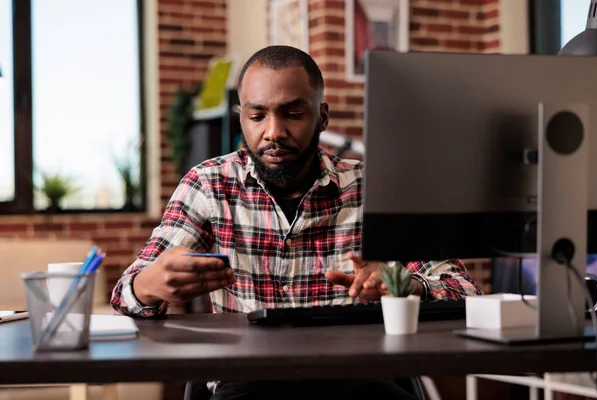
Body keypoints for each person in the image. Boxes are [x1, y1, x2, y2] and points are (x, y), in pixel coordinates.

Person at [111, 45, 483, 400]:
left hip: (362, 379)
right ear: (241, 116)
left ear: (322, 116)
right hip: (248, 383)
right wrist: (151, 284)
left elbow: (463, 290)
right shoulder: (208, 185)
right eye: (257, 116)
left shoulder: (378, 187)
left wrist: (402, 286)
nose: (273, 132)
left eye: (292, 114)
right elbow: (126, 297)